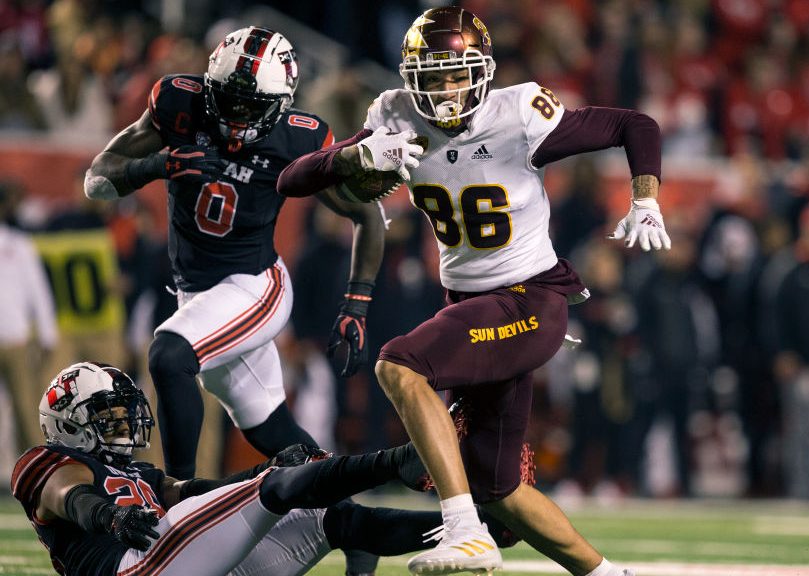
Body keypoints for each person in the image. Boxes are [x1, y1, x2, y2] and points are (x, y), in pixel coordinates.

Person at [278, 7, 670, 575]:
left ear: (482, 70)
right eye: (431, 75)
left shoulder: (518, 113)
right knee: (500, 484)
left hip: (528, 301)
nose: (443, 88)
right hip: (470, 306)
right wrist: (356, 155)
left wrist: (645, 198)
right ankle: (609, 573)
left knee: (399, 366)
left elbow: (635, 125)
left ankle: (463, 532)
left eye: (456, 73)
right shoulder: (394, 115)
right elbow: (294, 179)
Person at [81, 25, 422, 574]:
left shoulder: (298, 138)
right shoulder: (178, 103)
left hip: (254, 288)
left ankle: (176, 499)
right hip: (197, 293)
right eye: (230, 99)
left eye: (252, 104)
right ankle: (354, 524)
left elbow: (366, 215)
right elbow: (96, 181)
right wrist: (156, 166)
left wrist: (356, 304)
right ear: (211, 85)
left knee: (169, 354)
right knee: (271, 431)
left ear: (281, 103)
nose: (237, 115)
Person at [11, 361, 517, 576]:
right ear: (68, 423)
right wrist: (113, 519)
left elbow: (199, 493)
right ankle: (399, 461)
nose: (122, 426)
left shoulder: (140, 475)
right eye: (107, 417)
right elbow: (69, 497)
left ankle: (480, 529)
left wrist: (261, 468)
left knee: (323, 515)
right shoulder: (47, 462)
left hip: (179, 560)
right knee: (275, 490)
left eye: (124, 414)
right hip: (130, 568)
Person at [0, 180, 58, 456]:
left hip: (16, 338)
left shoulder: (20, 244)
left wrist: (48, 333)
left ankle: (33, 475)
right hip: (16, 336)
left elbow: (38, 290)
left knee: (26, 410)